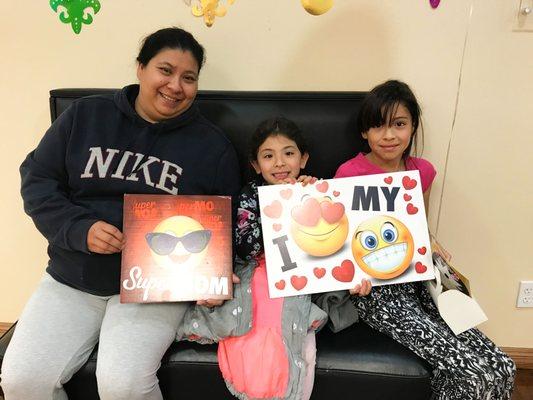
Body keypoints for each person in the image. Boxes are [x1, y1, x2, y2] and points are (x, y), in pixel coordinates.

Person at [0, 27, 240, 400]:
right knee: (20, 380)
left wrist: (213, 275)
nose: (175, 86)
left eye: (188, 78)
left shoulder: (212, 148)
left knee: (122, 384)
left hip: (154, 287)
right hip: (72, 276)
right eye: (165, 70)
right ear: (141, 68)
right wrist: (79, 229)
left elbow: (226, 223)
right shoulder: (85, 116)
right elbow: (38, 182)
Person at [334, 79, 516, 400]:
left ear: (413, 127)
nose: (389, 136)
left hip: (420, 281)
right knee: (466, 371)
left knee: (502, 367)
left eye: (399, 124)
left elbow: (420, 225)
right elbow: (343, 243)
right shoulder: (349, 174)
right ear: (364, 132)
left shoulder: (423, 171)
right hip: (378, 293)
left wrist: (430, 241)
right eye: (378, 126)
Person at [215, 117, 371, 400]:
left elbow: (338, 245)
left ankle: (292, 378)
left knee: (297, 318)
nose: (279, 163)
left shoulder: (317, 190)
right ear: (255, 165)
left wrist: (306, 197)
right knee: (260, 305)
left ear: (303, 158)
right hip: (262, 269)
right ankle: (259, 381)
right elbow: (245, 247)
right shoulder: (250, 194)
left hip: (305, 271)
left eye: (288, 153)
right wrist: (279, 207)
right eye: (268, 156)